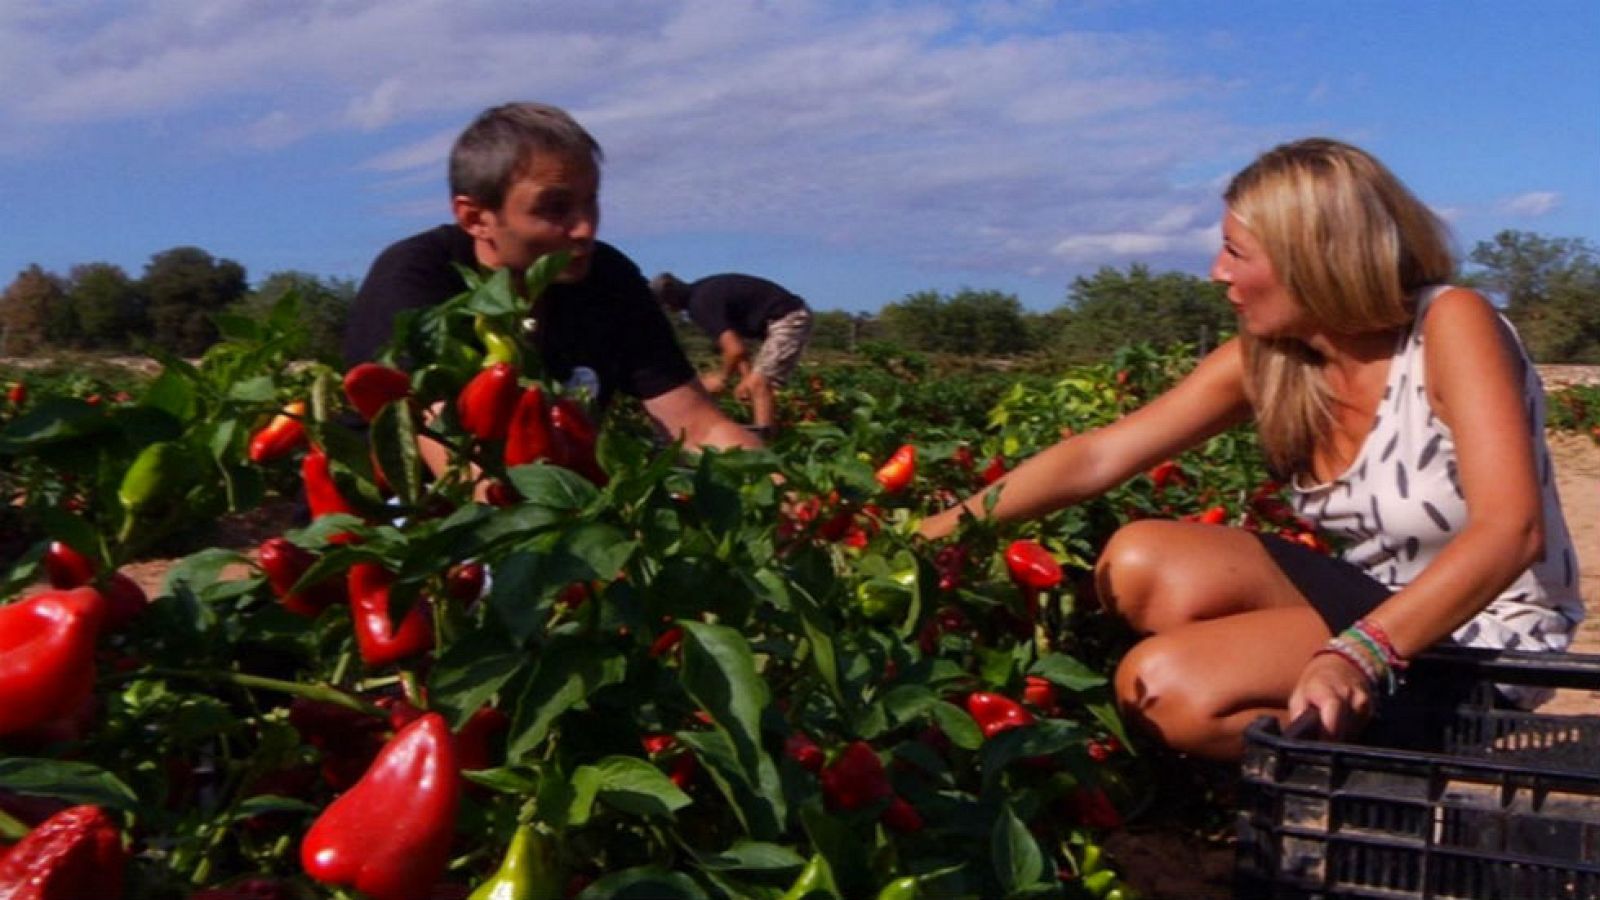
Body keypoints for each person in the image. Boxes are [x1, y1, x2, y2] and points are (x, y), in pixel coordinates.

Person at [919, 138, 1583, 761]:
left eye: (1237, 252)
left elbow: (1511, 531)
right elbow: (1099, 456)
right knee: (1137, 562)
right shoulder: (1271, 362)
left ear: (1314, 259)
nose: (1216, 272)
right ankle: (1341, 711)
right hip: (1373, 600)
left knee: (1166, 688)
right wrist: (930, 535)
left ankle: (1403, 741)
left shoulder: (1450, 325)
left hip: (1481, 634)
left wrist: (1359, 653)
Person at [343, 102, 760, 454]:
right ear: (475, 219)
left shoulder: (607, 277)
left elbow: (698, 425)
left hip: (546, 505)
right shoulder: (418, 277)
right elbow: (444, 447)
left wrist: (785, 496)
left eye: (590, 202)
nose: (584, 229)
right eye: (555, 208)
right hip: (405, 523)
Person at [649, 272, 813, 434]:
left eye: (664, 305)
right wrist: (745, 377)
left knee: (759, 383)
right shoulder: (703, 293)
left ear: (670, 299)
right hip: (777, 318)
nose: (668, 310)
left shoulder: (701, 305)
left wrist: (722, 378)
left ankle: (765, 443)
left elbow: (734, 350)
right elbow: (739, 348)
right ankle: (764, 434)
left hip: (788, 317)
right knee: (754, 384)